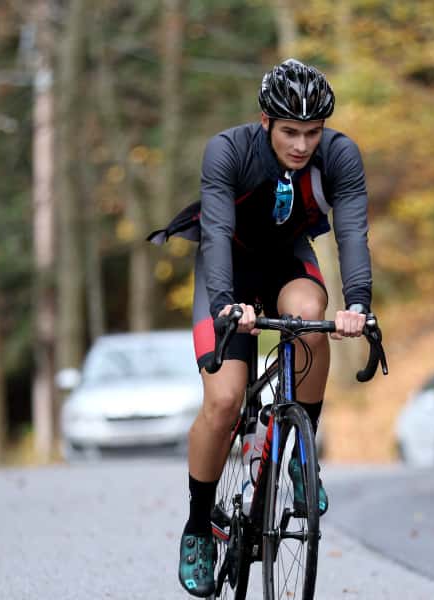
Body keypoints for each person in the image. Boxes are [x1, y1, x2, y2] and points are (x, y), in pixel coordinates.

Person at [149, 58, 373, 597]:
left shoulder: (339, 156)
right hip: (227, 266)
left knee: (311, 323)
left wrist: (358, 305)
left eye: (312, 133)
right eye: (290, 131)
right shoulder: (228, 150)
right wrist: (226, 305)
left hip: (286, 262)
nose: (302, 145)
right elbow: (216, 231)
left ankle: (299, 458)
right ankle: (198, 526)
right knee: (225, 400)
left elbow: (352, 232)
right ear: (266, 120)